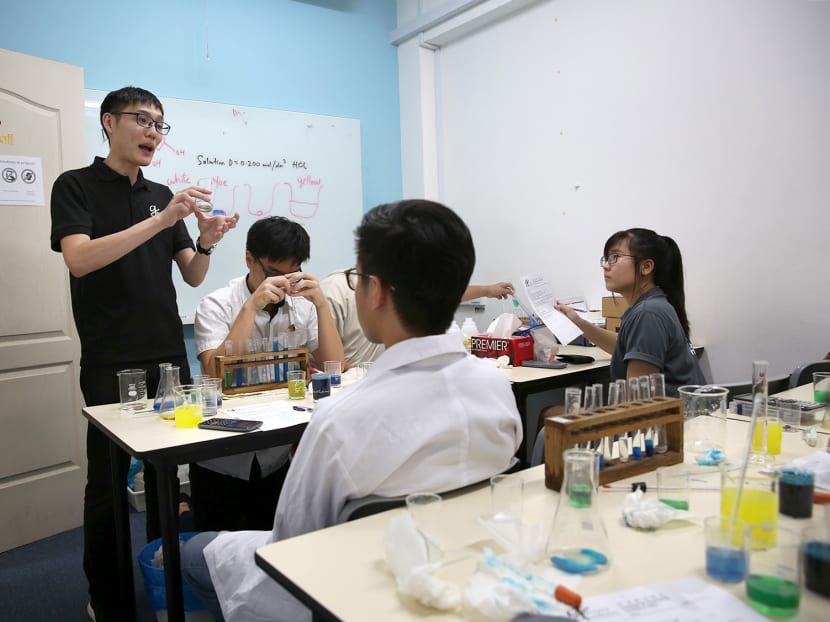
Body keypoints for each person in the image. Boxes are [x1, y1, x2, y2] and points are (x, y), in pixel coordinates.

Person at [182, 199, 523, 622]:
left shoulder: (339, 420)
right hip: (455, 570)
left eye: (357, 278)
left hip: (343, 586)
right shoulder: (497, 390)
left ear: (375, 291)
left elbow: (290, 547)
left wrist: (322, 305)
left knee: (188, 554)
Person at [49, 85, 239, 622]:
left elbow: (192, 273)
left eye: (160, 123)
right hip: (111, 356)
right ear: (109, 122)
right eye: (142, 120)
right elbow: (80, 259)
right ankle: (107, 598)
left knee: (168, 478)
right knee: (108, 485)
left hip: (166, 354)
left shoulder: (161, 192)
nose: (154, 131)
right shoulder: (76, 186)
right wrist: (161, 219)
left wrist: (204, 239)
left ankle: (170, 581)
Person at [191, 215, 344, 531]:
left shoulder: (301, 304)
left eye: (293, 273)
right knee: (216, 551)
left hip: (275, 455)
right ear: (249, 259)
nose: (284, 284)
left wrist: (321, 307)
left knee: (275, 546)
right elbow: (215, 375)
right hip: (221, 458)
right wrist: (251, 307)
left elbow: (335, 366)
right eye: (273, 273)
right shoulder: (216, 305)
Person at [555, 227, 705, 396]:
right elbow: (623, 345)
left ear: (646, 267)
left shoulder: (647, 313)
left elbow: (639, 400)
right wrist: (577, 320)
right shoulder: (653, 305)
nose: (605, 265)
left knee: (552, 414)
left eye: (615, 257)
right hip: (681, 415)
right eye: (606, 258)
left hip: (670, 419)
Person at [320, 268, 515, 366]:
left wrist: (487, 290)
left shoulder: (399, 285)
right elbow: (331, 364)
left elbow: (442, 294)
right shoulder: (335, 290)